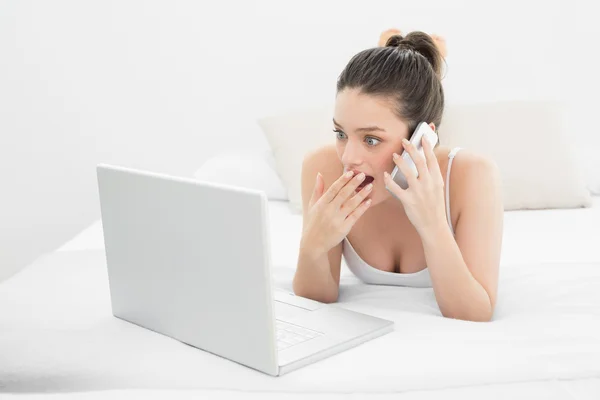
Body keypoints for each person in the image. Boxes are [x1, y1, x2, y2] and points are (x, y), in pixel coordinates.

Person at [292, 29, 504, 322]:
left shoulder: (471, 176)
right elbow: (319, 297)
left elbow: (474, 312)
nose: (348, 158)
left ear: (421, 139)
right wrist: (312, 246)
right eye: (341, 133)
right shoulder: (323, 168)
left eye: (370, 140)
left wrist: (432, 224)